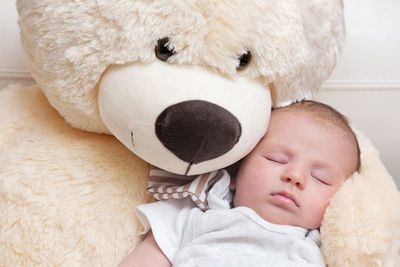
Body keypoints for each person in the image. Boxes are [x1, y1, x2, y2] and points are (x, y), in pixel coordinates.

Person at [118, 100, 361, 267]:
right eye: (276, 159)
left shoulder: (316, 246)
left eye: (320, 178)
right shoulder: (196, 217)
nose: (295, 176)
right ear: (236, 171)